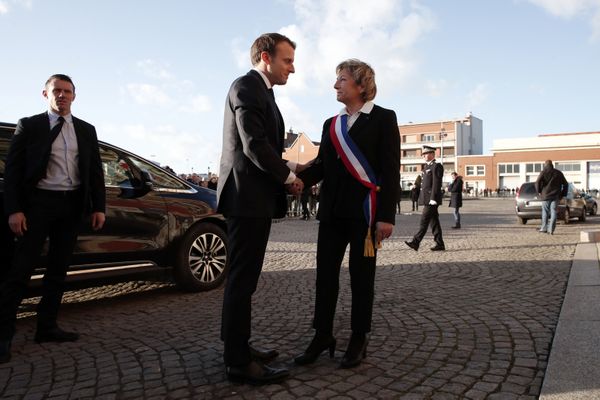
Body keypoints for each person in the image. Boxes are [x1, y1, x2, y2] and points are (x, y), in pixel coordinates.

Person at [295, 59, 400, 368]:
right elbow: (322, 166)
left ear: (361, 85)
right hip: (331, 213)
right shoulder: (331, 124)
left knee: (361, 278)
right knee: (325, 277)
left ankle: (359, 336)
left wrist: (387, 216)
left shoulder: (383, 118)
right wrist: (299, 181)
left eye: (341, 79)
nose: (335, 85)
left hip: (365, 216)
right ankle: (322, 334)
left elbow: (390, 170)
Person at [0, 74, 106, 364]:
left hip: (71, 206)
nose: (62, 95)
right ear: (45, 94)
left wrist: (99, 207)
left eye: (67, 91)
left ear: (74, 96)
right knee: (19, 269)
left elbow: (94, 171)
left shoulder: (86, 130)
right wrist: (14, 209)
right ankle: (3, 334)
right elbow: (12, 171)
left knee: (58, 269)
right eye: (56, 91)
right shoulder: (30, 126)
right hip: (37, 206)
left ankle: (46, 327)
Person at [217, 32, 303, 385]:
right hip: (246, 198)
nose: (293, 69)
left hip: (254, 198)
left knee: (245, 279)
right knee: (241, 279)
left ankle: (238, 344)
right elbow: (254, 145)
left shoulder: (262, 91)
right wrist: (287, 177)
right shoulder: (247, 87)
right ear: (266, 57)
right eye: (287, 60)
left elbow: (265, 145)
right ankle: (237, 362)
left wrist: (295, 169)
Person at [404, 145, 445, 251]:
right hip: (427, 199)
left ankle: (416, 242)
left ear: (432, 154)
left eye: (426, 154)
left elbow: (436, 183)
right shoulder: (426, 167)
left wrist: (433, 198)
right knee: (434, 222)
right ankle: (440, 244)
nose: (424, 156)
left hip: (432, 200)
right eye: (423, 154)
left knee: (424, 221)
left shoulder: (436, 166)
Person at [535, 160, 568, 235]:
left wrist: (539, 192)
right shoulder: (558, 173)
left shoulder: (543, 172)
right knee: (553, 211)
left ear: (545, 165)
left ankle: (544, 228)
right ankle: (551, 230)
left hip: (545, 195)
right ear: (552, 164)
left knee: (545, 211)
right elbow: (566, 184)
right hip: (556, 196)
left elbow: (537, 182)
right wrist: (563, 194)